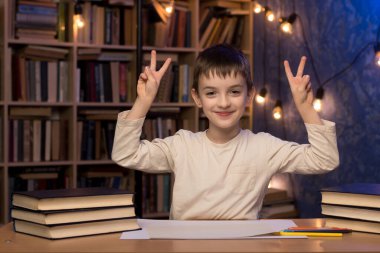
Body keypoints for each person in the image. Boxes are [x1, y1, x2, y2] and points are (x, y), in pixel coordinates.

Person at [112, 44, 339, 220]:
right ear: (197, 98)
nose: (223, 103)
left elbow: (324, 160)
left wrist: (305, 107)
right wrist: (143, 101)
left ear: (249, 96)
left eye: (234, 92)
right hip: (185, 245)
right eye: (211, 93)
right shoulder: (181, 145)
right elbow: (125, 153)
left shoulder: (264, 147)